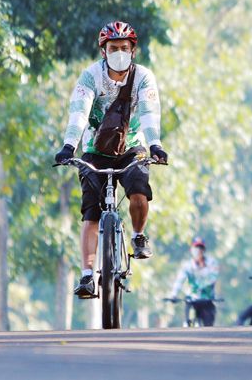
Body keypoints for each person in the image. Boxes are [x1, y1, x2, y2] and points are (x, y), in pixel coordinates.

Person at [54, 21, 167, 298]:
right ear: (103, 51)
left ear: (133, 50)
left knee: (139, 193)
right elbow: (79, 113)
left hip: (132, 148)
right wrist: (69, 146)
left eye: (124, 48)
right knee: (91, 212)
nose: (119, 53)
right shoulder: (90, 77)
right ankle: (87, 275)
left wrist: (155, 145)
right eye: (113, 48)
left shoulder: (143, 77)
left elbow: (150, 112)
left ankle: (138, 235)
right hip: (95, 149)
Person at [168, 236, 220, 326]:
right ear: (191, 250)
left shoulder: (212, 263)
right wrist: (174, 294)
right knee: (188, 321)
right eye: (196, 248)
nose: (198, 250)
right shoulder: (187, 266)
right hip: (192, 300)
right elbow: (180, 280)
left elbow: (212, 278)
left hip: (207, 300)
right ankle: (187, 325)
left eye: (201, 248)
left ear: (204, 250)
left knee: (209, 327)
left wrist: (201, 286)